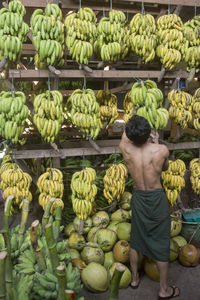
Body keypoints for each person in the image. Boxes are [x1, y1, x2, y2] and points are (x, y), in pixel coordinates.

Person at [119, 115, 180, 299]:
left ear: (131, 135)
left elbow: (124, 136)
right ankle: (164, 290)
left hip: (138, 197)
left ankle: (135, 279)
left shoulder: (125, 149)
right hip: (156, 198)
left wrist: (133, 120)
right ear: (148, 133)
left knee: (136, 238)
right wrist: (153, 141)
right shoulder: (161, 150)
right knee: (161, 240)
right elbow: (166, 168)